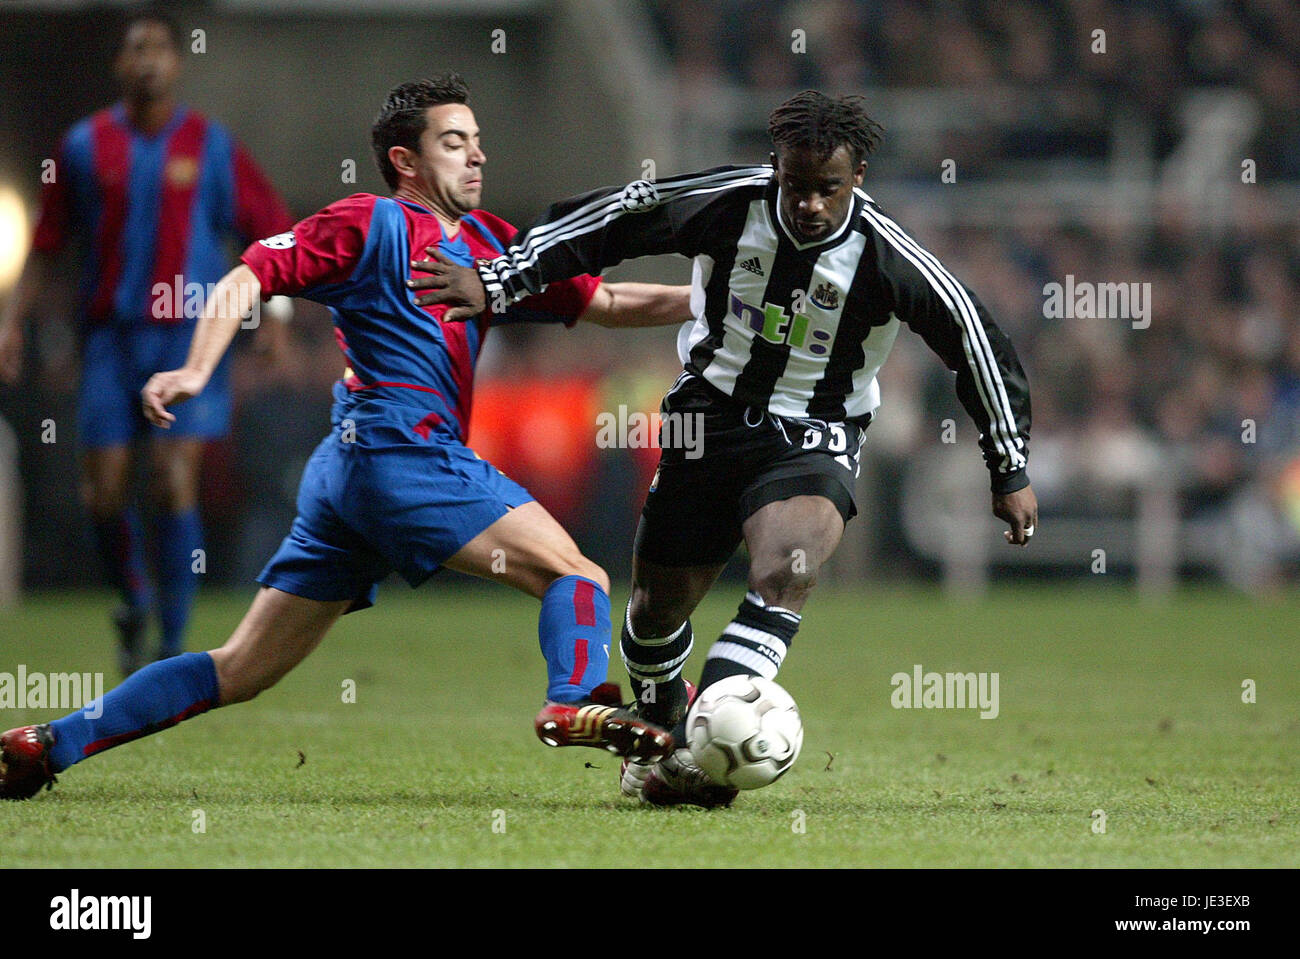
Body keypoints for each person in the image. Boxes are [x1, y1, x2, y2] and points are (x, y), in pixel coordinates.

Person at [0, 73, 691, 801]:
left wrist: (714, 299)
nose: (477, 157)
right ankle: (573, 698)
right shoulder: (368, 223)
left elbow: (609, 299)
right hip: (403, 451)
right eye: (454, 143)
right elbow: (246, 277)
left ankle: (47, 742)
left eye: (478, 143)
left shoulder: (493, 245)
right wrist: (195, 369)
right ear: (406, 161)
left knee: (240, 666)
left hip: (347, 474)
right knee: (577, 576)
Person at [410, 90, 1039, 807]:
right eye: (794, 185)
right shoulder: (724, 202)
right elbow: (612, 218)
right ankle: (663, 728)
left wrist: (1009, 464)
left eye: (826, 189)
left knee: (785, 568)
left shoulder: (889, 256)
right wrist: (498, 278)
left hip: (815, 432)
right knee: (653, 611)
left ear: (857, 176)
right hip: (706, 421)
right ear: (775, 169)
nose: (807, 204)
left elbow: (976, 338)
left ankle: (699, 754)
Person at [0, 12, 294, 674]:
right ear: (120, 66)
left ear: (177, 64)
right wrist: (13, 321)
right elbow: (46, 243)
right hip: (110, 338)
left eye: (160, 49)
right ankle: (132, 599)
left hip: (191, 337)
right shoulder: (83, 147)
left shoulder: (212, 146)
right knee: (102, 491)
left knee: (171, 477)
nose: (148, 60)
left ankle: (171, 636)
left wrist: (272, 313)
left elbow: (269, 230)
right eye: (136, 50)